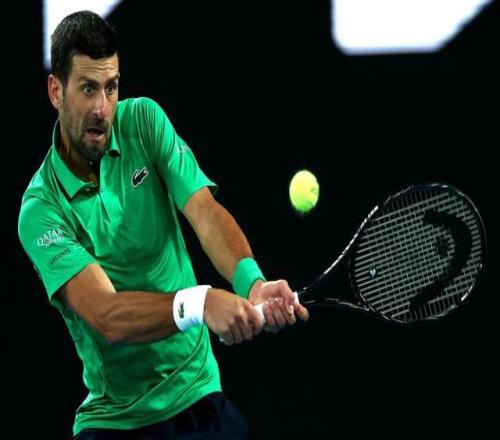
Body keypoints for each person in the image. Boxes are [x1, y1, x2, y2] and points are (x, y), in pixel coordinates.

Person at [17, 10, 309, 440]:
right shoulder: (41, 209)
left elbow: (204, 211)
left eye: (111, 87)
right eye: (88, 88)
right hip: (117, 422)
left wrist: (252, 283)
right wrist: (200, 302)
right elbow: (107, 316)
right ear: (55, 91)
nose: (102, 108)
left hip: (199, 398)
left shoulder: (144, 122)